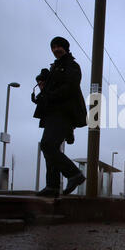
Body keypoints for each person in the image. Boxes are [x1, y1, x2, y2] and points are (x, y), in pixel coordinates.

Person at [32, 36, 87, 197]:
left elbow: (69, 88)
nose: (56, 49)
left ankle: (74, 174)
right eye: (53, 47)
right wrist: (43, 85)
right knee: (51, 147)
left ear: (66, 48)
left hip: (64, 113)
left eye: (59, 47)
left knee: (47, 145)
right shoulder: (55, 68)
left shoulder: (72, 66)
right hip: (53, 113)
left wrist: (49, 95)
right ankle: (52, 186)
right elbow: (51, 92)